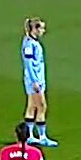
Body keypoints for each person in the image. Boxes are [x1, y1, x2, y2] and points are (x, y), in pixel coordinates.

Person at [19, 17, 58, 146]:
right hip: (34, 80)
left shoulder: (30, 42)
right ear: (34, 29)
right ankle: (42, 137)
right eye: (41, 28)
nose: (43, 30)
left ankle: (29, 136)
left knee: (31, 106)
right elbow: (28, 64)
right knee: (41, 106)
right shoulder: (29, 44)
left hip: (35, 79)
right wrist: (35, 81)